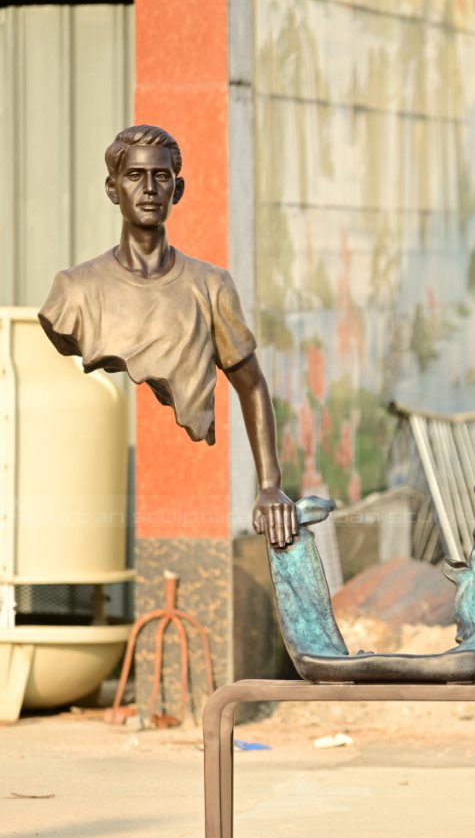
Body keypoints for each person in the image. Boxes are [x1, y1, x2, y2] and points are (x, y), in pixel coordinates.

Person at [37, 124, 296, 548]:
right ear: (112, 188)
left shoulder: (212, 285)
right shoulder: (75, 292)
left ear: (177, 190)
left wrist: (270, 484)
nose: (150, 188)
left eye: (161, 177)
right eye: (135, 176)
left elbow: (251, 385)